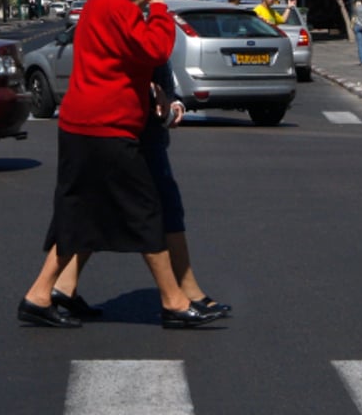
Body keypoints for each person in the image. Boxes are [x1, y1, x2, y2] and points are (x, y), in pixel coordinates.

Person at [17, 0, 224, 330]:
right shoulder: (116, 5)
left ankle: (41, 295)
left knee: (79, 214)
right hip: (105, 127)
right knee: (145, 213)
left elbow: (124, 62)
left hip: (86, 124)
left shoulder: (105, 4)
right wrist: (161, 8)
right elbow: (154, 49)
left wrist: (155, 87)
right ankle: (174, 302)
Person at [51, 60, 230, 320]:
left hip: (130, 124)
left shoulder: (140, 20)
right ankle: (182, 294)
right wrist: (149, 89)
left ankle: (60, 287)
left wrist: (172, 100)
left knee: (95, 209)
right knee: (160, 207)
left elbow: (156, 65)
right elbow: (131, 57)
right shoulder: (129, 20)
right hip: (131, 128)